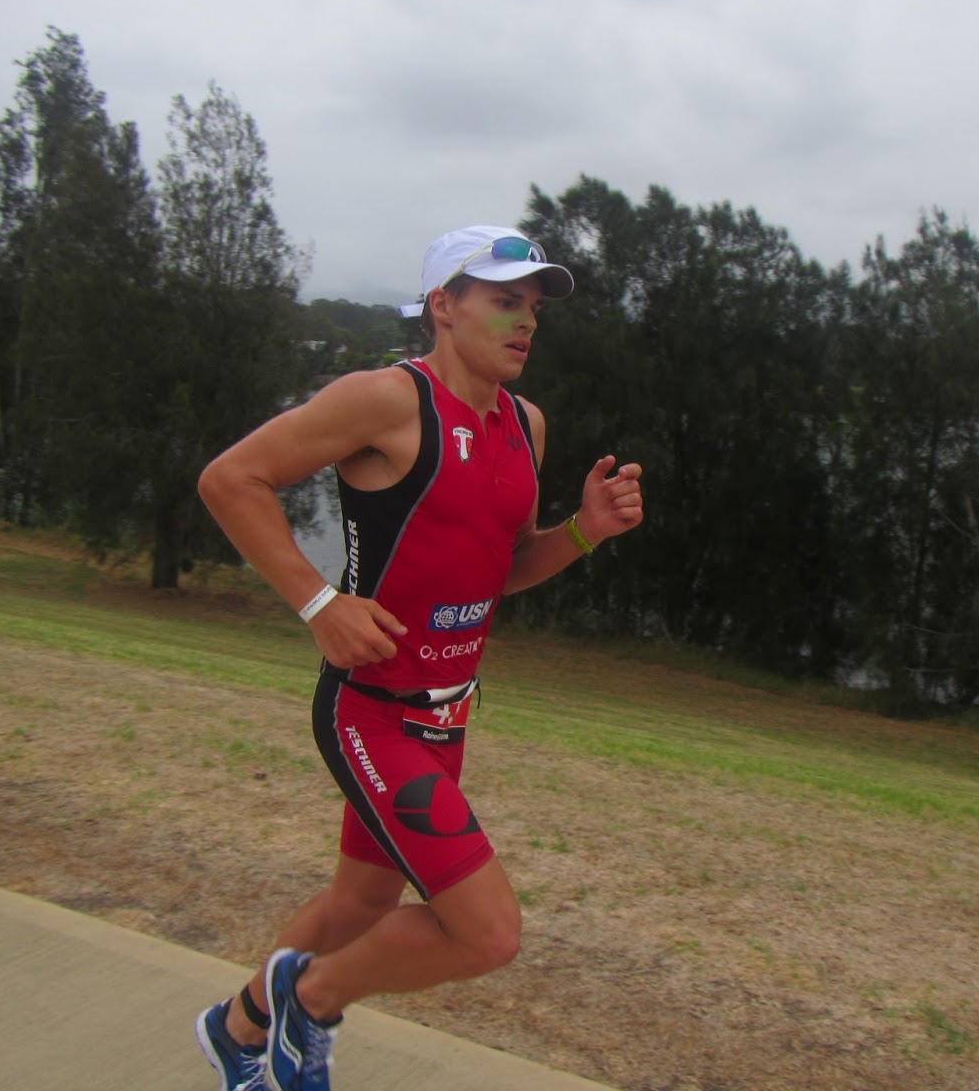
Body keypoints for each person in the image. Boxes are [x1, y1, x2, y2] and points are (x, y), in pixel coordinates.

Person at [190, 224, 645, 1091]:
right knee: (487, 933)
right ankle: (308, 1005)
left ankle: (238, 1030)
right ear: (444, 305)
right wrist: (319, 603)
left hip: (447, 717)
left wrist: (585, 530)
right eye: (505, 301)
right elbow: (230, 479)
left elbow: (500, 568)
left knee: (360, 903)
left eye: (533, 306)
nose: (526, 321)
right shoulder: (386, 400)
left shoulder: (526, 425)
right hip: (370, 710)